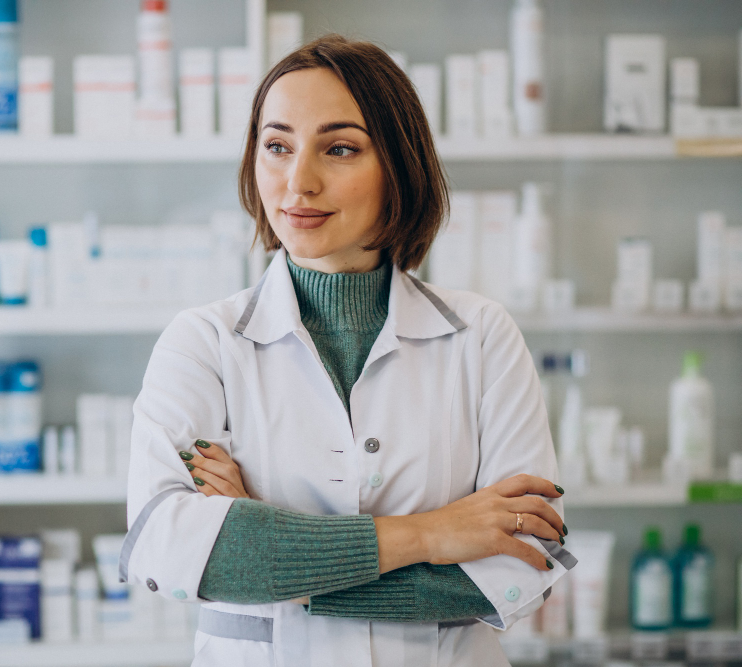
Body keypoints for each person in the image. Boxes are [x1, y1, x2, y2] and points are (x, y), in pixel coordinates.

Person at [119, 35, 575, 666]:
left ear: (399, 165)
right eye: (276, 145)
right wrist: (434, 534)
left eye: (339, 149)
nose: (297, 181)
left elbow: (520, 570)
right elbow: (167, 552)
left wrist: (270, 549)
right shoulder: (203, 343)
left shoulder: (482, 336)